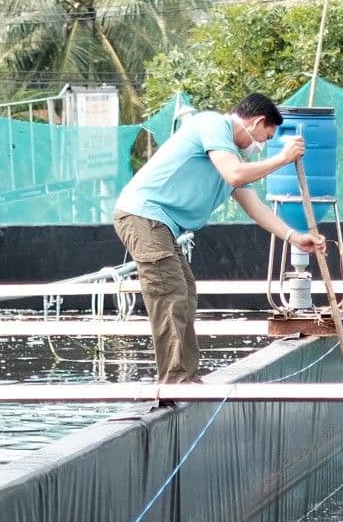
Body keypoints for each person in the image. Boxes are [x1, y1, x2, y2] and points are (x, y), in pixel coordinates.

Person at [112, 93, 327, 384]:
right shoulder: (212, 124)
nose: (261, 146)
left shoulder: (230, 155)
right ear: (257, 122)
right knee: (170, 293)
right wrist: (282, 159)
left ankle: (184, 376)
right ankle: (175, 382)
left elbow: (255, 207)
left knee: (185, 291)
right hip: (142, 215)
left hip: (161, 224)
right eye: (265, 137)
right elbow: (236, 175)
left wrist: (293, 237)